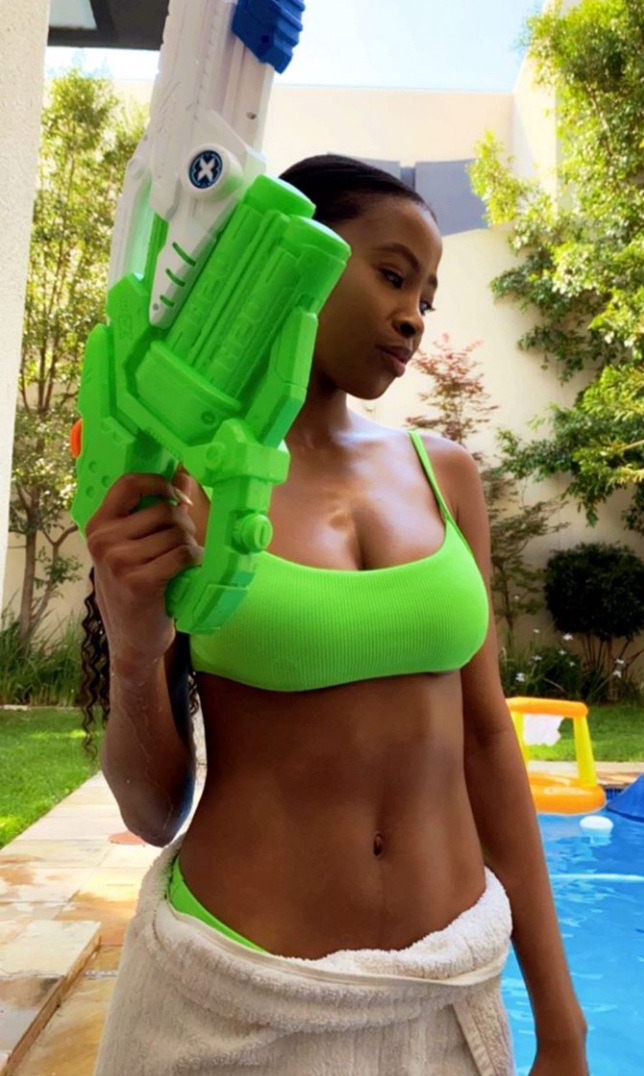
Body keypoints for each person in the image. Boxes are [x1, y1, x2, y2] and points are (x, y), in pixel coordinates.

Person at [80, 154, 589, 1075]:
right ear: (295, 255)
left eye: (427, 297)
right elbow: (154, 813)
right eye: (393, 275)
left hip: (444, 995)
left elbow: (487, 743)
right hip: (237, 1001)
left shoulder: (447, 475)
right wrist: (133, 655)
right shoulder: (184, 483)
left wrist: (562, 1022)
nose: (414, 316)